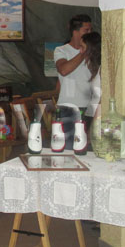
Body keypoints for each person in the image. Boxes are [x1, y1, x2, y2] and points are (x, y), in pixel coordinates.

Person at [54, 14, 94, 148]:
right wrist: (83, 52)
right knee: (69, 148)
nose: (89, 33)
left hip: (90, 108)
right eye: (86, 30)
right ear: (75, 32)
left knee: (88, 148)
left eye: (91, 30)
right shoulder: (61, 50)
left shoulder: (93, 52)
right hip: (68, 108)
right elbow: (64, 70)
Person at [82, 31, 102, 120]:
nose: (80, 51)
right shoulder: (93, 67)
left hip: (97, 116)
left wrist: (96, 121)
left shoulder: (103, 68)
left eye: (82, 47)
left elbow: (104, 97)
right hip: (90, 113)